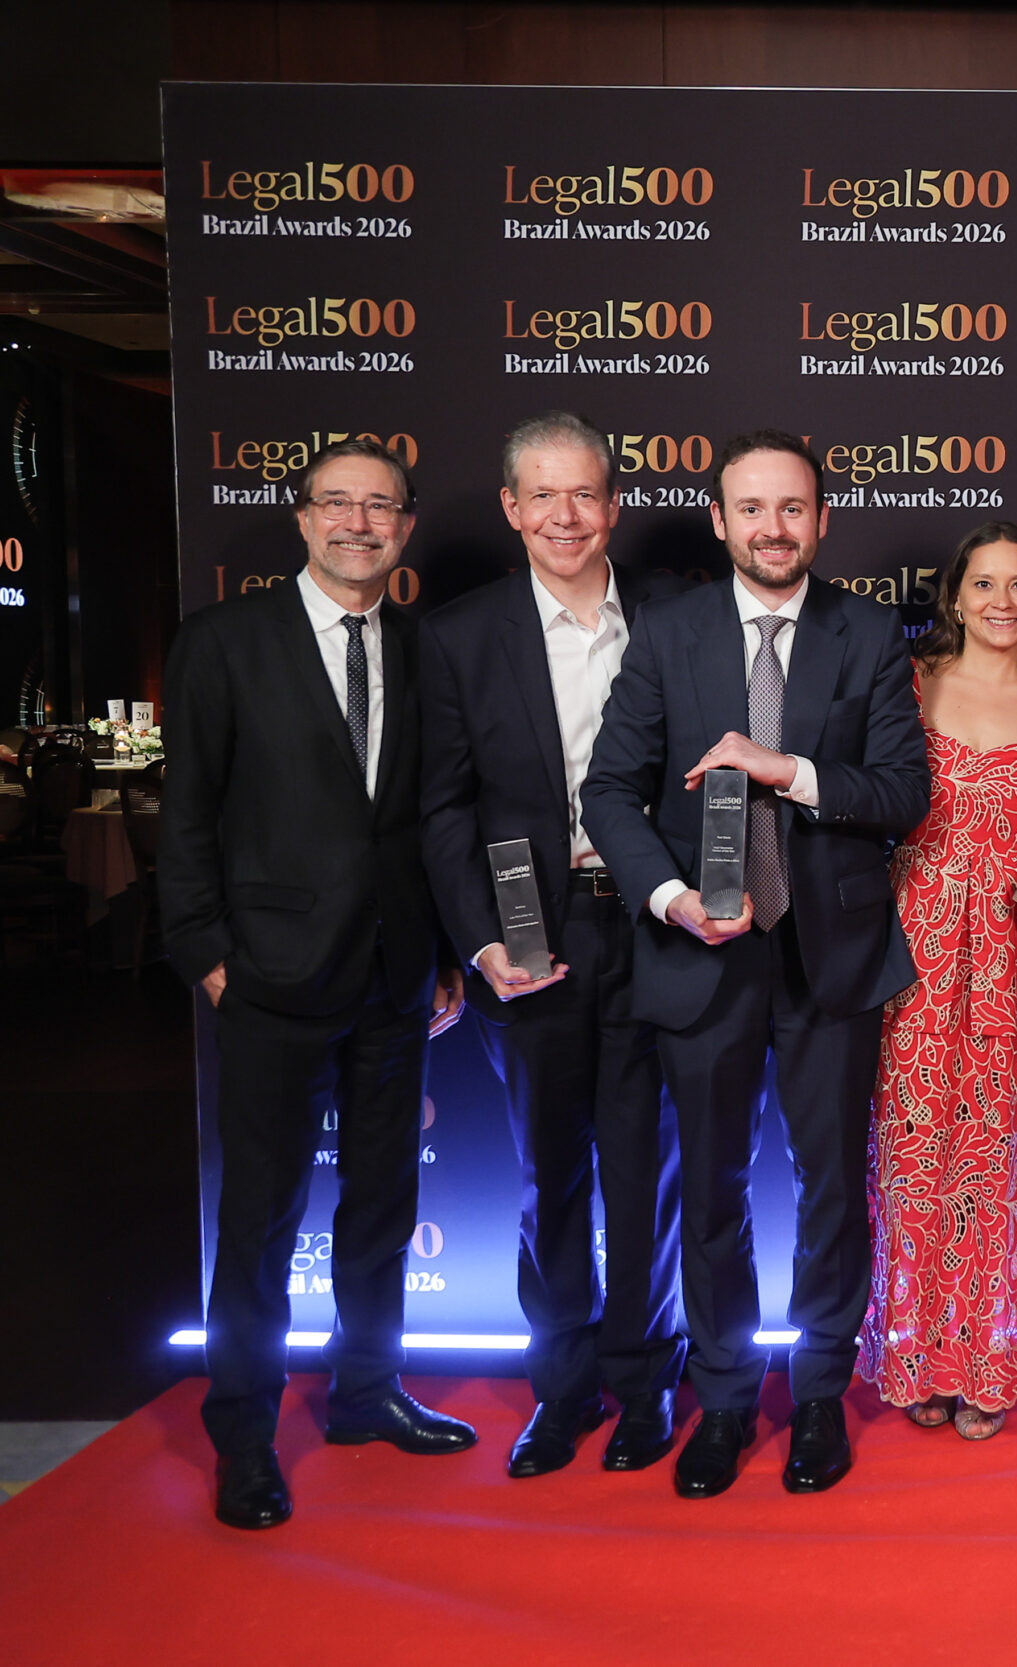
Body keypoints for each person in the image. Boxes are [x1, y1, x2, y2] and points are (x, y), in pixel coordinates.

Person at [581, 429, 928, 1498]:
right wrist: (670, 897)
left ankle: (819, 1390)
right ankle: (726, 1394)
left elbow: (902, 794)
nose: (772, 529)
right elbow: (609, 791)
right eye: (751, 509)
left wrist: (788, 770)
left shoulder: (868, 631)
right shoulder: (667, 633)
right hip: (700, 953)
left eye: (792, 508)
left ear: (821, 519)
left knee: (833, 1188)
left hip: (832, 956)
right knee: (712, 1189)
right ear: (719, 519)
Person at [160, 436, 472, 1531]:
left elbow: (429, 819)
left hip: (395, 975)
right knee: (259, 1214)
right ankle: (244, 1431)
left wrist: (443, 949)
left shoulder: (426, 649)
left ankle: (366, 1391)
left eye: (379, 506)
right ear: (301, 518)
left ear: (406, 526)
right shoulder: (223, 642)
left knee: (383, 1202)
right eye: (336, 502)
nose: (357, 523)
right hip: (267, 975)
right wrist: (203, 950)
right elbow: (186, 813)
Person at [417, 412, 684, 1478]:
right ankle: (563, 1389)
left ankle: (646, 1380)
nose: (565, 516)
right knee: (550, 1171)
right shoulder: (458, 636)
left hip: (659, 923)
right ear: (511, 508)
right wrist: (478, 940)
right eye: (543, 495)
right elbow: (443, 808)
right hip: (532, 934)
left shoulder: (678, 617)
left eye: (584, 494)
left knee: (648, 1166)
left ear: (613, 505)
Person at [859, 522, 1017, 1441]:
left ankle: (990, 1361)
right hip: (915, 944)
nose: (1002, 601)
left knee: (1000, 1160)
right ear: (954, 594)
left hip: (1014, 951)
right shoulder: (909, 681)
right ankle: (919, 1355)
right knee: (915, 1159)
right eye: (985, 583)